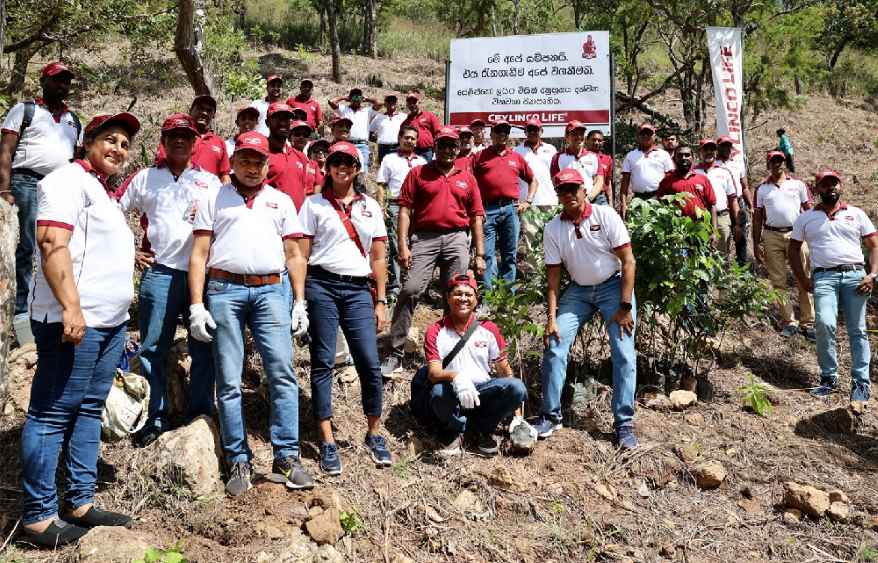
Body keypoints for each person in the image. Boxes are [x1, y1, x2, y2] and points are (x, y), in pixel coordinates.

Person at [21, 111, 140, 546]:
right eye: (110, 140)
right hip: (75, 321)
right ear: (87, 143)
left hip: (108, 323)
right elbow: (53, 242)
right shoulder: (66, 180)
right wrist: (71, 308)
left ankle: (81, 501)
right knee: (51, 412)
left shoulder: (103, 192)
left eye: (125, 144)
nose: (119, 149)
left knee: (89, 408)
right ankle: (37, 516)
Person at [188, 130, 314, 496]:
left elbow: (294, 254)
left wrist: (299, 301)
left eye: (258, 161)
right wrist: (196, 305)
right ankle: (238, 459)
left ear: (267, 164)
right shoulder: (214, 197)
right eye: (244, 159)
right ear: (233, 161)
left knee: (282, 371)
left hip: (272, 290)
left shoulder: (281, 201)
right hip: (225, 289)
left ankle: (286, 456)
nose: (251, 166)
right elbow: (198, 254)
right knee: (228, 378)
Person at [117, 113, 222, 448]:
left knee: (204, 346)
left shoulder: (209, 181)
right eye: (173, 135)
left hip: (202, 276)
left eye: (186, 136)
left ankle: (201, 411)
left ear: (195, 142)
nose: (180, 140)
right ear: (163, 141)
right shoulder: (145, 178)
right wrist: (131, 251)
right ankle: (154, 416)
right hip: (160, 272)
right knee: (152, 348)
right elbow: (114, 210)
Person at [298, 141, 392, 474]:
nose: (342, 167)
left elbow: (379, 257)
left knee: (368, 359)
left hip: (357, 289)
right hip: (321, 285)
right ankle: (326, 439)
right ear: (328, 167)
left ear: (357, 168)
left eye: (349, 162)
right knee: (323, 361)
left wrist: (380, 300)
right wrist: (299, 299)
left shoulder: (370, 207)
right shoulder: (313, 205)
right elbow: (301, 254)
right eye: (336, 161)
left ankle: (374, 432)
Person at [534, 169, 639, 450]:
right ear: (557, 194)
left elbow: (628, 262)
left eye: (573, 189)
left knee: (623, 351)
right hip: (578, 291)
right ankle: (550, 415)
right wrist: (552, 318)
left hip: (612, 287)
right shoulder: (553, 228)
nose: (568, 194)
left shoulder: (605, 216)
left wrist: (625, 306)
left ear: (584, 189)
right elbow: (554, 277)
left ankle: (624, 423)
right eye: (562, 190)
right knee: (555, 343)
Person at [381, 127, 486, 376]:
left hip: (457, 237)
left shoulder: (467, 177)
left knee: (457, 295)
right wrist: (404, 245)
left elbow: (476, 217)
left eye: (453, 145)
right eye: (443, 145)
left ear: (458, 148)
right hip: (425, 238)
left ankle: (452, 352)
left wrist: (479, 254)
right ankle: (395, 352)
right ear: (434, 148)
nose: (448, 150)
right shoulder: (418, 173)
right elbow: (404, 211)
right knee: (411, 289)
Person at [0, 61, 81, 345]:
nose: (62, 85)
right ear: (43, 81)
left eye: (66, 81)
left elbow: (77, 159)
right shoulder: (25, 110)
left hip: (60, 188)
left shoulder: (74, 120)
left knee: (59, 249)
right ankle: (21, 320)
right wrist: (4, 189)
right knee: (26, 249)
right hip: (26, 183)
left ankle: (54, 313)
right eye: (57, 80)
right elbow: (6, 150)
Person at [410, 273, 527, 457]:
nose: (463, 298)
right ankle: (456, 430)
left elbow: (504, 370)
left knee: (517, 388)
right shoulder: (436, 331)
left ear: (476, 299)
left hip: (482, 391)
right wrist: (456, 377)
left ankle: (482, 429)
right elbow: (433, 373)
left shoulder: (489, 328)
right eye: (457, 294)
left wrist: (518, 416)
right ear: (448, 298)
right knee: (438, 393)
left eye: (468, 294)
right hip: (451, 391)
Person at [789, 169, 877, 401]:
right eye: (825, 184)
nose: (831, 188)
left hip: (856, 277)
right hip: (824, 278)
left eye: (834, 183)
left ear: (841, 186)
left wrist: (872, 275)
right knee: (824, 323)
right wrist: (802, 279)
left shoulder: (856, 214)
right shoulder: (806, 218)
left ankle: (861, 385)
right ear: (817, 189)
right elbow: (793, 249)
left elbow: (874, 244)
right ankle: (829, 378)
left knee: (857, 330)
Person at [753, 150, 815, 339]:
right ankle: (789, 321)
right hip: (771, 235)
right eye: (773, 161)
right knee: (778, 281)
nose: (777, 164)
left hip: (797, 234)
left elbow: (809, 210)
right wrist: (756, 243)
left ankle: (808, 322)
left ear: (785, 163)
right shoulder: (762, 188)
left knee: (803, 277)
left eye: (780, 161)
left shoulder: (797, 184)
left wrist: (814, 237)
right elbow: (757, 218)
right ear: (768, 164)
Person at [471, 119, 537, 288]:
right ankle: (489, 296)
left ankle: (507, 296)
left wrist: (528, 201)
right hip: (488, 210)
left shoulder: (516, 157)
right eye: (498, 131)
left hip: (510, 209)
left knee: (510, 254)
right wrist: (476, 207)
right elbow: (469, 182)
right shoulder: (480, 156)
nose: (502, 135)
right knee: (487, 254)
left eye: (505, 132)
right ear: (491, 134)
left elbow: (533, 180)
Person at [375, 125, 427, 300]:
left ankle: (413, 283)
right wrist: (382, 207)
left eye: (413, 138)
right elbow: (381, 185)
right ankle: (397, 286)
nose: (410, 141)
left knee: (416, 245)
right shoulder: (389, 159)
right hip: (396, 205)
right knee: (398, 245)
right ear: (400, 138)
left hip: (418, 208)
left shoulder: (421, 162)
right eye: (407, 137)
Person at [156, 95, 231, 184]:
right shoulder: (175, 136)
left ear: (213, 115)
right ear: (191, 110)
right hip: (173, 190)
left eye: (209, 110)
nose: (204, 113)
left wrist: (226, 191)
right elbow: (162, 165)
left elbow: (224, 175)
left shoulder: (219, 142)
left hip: (207, 194)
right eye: (200, 108)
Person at [694, 139, 740, 257]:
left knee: (721, 258)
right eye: (705, 149)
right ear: (700, 152)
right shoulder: (693, 172)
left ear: (716, 151)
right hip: (699, 220)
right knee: (700, 257)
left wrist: (737, 223)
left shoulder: (724, 172)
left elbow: (733, 200)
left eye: (712, 149)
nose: (709, 152)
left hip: (722, 219)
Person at [657, 146, 718, 231]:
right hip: (677, 231)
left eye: (687, 155)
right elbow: (660, 205)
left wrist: (714, 231)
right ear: (674, 159)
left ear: (693, 158)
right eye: (680, 155)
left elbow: (712, 205)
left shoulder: (703, 179)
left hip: (701, 228)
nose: (684, 158)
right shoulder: (667, 181)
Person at [620, 123, 674, 217]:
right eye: (642, 134)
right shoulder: (630, 156)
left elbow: (671, 178)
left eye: (648, 133)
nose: (645, 136)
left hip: (659, 198)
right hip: (638, 199)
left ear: (654, 136)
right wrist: (623, 204)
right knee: (638, 228)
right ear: (638, 136)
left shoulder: (663, 154)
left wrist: (669, 200)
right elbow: (625, 182)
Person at [265, 103, 309, 211]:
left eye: (287, 119)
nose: (283, 123)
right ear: (267, 122)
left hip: (298, 221)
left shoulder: (300, 157)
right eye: (278, 118)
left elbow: (302, 190)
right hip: (271, 220)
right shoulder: (261, 154)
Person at [717, 136, 753, 266]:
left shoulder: (738, 164)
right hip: (722, 205)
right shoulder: (714, 165)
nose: (726, 148)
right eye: (723, 146)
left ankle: (741, 267)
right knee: (723, 236)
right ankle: (722, 266)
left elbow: (745, 187)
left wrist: (751, 205)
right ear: (718, 147)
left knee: (741, 236)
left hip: (738, 202)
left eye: (728, 146)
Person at [549, 121, 604, 205]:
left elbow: (599, 181)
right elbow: (556, 183)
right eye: (575, 134)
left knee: (610, 214)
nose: (579, 137)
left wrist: (588, 198)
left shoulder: (594, 157)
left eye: (581, 134)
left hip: (593, 199)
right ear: (566, 137)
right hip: (570, 201)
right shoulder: (557, 158)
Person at [328, 88, 382, 170]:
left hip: (362, 145)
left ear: (361, 98)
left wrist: (366, 99)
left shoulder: (367, 111)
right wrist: (344, 97)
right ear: (350, 98)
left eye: (358, 97)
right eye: (354, 97)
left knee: (363, 169)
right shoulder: (344, 109)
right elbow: (331, 102)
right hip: (347, 144)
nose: (356, 99)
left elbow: (380, 103)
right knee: (347, 167)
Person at [514, 118, 557, 210]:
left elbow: (556, 175)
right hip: (526, 203)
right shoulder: (516, 151)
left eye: (535, 129)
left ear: (541, 131)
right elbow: (514, 178)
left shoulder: (551, 149)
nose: (532, 132)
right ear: (525, 132)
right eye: (530, 130)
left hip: (550, 201)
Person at [401, 90, 442, 162]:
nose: (412, 104)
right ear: (407, 105)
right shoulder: (405, 123)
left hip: (427, 151)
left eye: (414, 102)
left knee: (427, 172)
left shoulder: (429, 116)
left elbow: (438, 133)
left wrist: (437, 150)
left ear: (419, 102)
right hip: (412, 151)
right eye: (409, 102)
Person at [370, 94, 407, 164]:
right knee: (384, 169)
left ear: (396, 103)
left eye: (393, 101)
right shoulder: (378, 117)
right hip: (383, 148)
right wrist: (378, 140)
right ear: (385, 104)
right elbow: (370, 132)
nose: (391, 103)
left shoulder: (404, 117)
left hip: (398, 147)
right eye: (389, 101)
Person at [587, 129, 614, 206]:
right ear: (587, 140)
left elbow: (608, 183)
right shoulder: (581, 157)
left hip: (600, 198)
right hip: (584, 196)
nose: (596, 142)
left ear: (603, 143)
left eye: (599, 140)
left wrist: (610, 202)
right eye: (594, 140)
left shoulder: (607, 159)